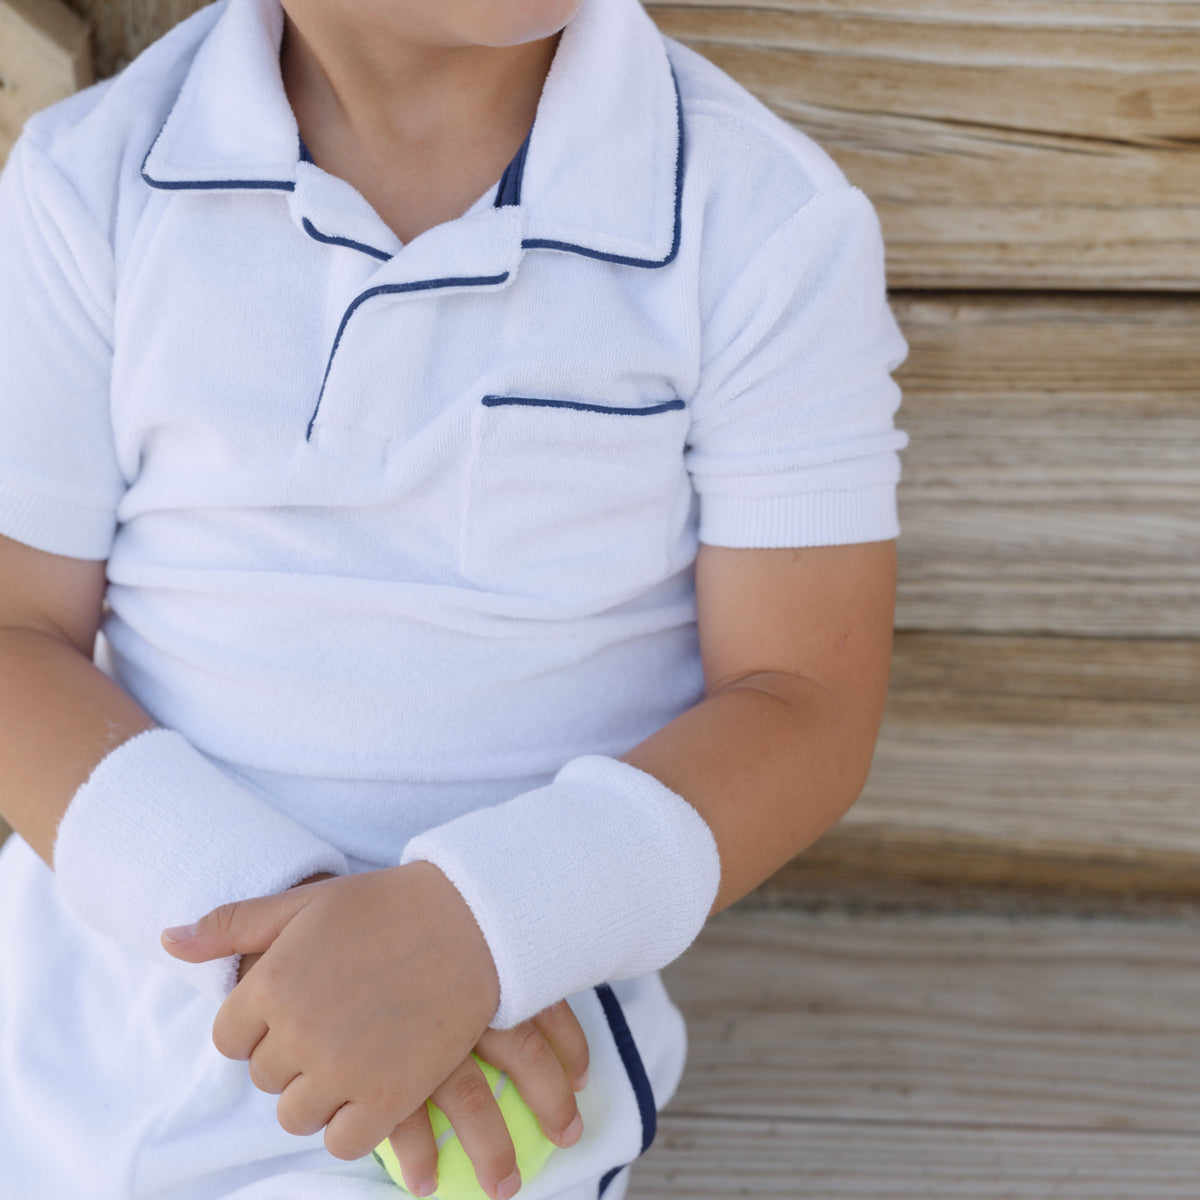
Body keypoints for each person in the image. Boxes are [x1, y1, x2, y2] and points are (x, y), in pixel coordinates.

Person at [0, 0, 908, 1196]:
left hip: (491, 1056)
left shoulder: (763, 224)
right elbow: (17, 634)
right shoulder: (86, 186)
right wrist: (280, 927)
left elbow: (804, 701)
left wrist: (472, 930)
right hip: (103, 990)